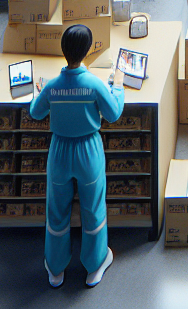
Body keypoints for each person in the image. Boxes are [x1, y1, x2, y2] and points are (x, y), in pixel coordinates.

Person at [29, 24, 124, 288]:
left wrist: (40, 90)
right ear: (86, 51)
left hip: (59, 152)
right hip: (88, 152)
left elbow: (36, 112)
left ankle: (56, 270)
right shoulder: (94, 84)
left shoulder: (53, 87)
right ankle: (95, 265)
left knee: (57, 211)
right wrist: (118, 86)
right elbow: (114, 113)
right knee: (92, 209)